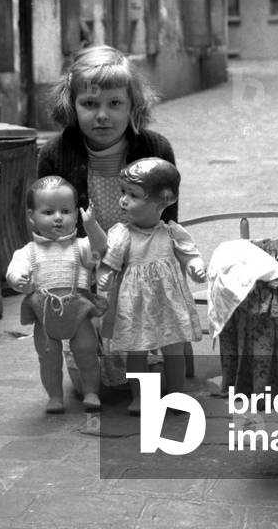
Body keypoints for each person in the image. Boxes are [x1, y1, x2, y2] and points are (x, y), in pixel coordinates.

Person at [97, 158, 206, 415]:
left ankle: (176, 393)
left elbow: (190, 253)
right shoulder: (122, 234)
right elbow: (110, 262)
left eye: (133, 195)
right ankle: (140, 396)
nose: (123, 200)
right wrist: (106, 275)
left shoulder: (171, 232)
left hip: (169, 303)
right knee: (137, 350)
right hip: (136, 305)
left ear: (164, 200)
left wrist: (195, 265)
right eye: (123, 192)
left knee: (174, 347)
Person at [38, 44, 178, 232]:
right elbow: (47, 227)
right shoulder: (54, 155)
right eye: (89, 103)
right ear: (71, 105)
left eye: (114, 103)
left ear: (132, 105)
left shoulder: (157, 151)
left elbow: (167, 227)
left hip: (144, 258)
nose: (102, 115)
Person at [6, 176, 108, 414]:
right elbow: (14, 270)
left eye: (65, 210)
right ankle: (54, 396)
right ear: (32, 217)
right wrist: (17, 278)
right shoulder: (28, 251)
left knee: (87, 352)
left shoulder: (81, 246)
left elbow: (101, 249)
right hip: (45, 317)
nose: (58, 217)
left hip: (79, 314)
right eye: (48, 212)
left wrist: (91, 225)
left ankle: (91, 392)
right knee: (48, 358)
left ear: (75, 213)